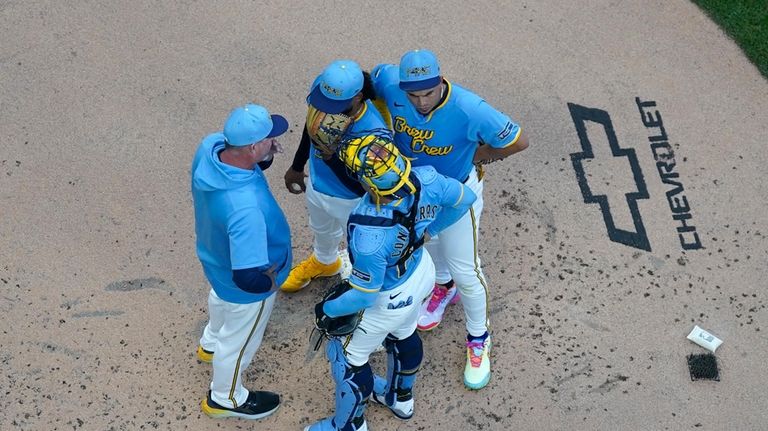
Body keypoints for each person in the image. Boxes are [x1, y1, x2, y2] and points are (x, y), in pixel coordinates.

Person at [370, 49, 530, 389]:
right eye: (413, 94)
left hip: (457, 195)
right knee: (433, 246)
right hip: (414, 192)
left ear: (441, 80)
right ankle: (443, 288)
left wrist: (475, 155)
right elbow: (369, 81)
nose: (421, 101)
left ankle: (479, 338)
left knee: (467, 268)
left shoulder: (470, 108)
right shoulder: (390, 84)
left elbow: (518, 141)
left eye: (428, 92)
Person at [305, 134, 476, 431]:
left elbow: (363, 295)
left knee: (347, 360)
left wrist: (327, 309)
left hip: (386, 296)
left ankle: (349, 425)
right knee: (404, 334)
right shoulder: (427, 179)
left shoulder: (369, 230)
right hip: (420, 273)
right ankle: (400, 399)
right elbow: (465, 199)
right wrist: (429, 231)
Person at [191, 103, 292, 419]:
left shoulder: (211, 148)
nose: (274, 140)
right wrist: (269, 284)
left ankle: (209, 343)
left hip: (215, 258)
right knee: (237, 343)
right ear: (251, 146)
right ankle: (226, 397)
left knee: (219, 302)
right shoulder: (244, 210)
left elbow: (243, 167)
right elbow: (247, 277)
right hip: (244, 285)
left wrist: (264, 155)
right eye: (268, 139)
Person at [281, 60, 389, 293]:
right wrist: (298, 166)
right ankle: (325, 262)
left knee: (359, 247)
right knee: (321, 230)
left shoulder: (374, 133)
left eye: (333, 105)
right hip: (317, 185)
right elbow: (312, 126)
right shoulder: (325, 90)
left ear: (358, 97)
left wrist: (332, 159)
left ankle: (362, 289)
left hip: (351, 201)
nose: (326, 110)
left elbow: (366, 188)